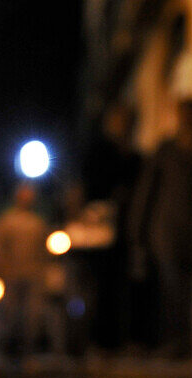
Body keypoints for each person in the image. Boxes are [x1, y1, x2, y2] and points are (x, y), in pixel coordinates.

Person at [130, 99, 192, 358]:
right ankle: (172, 340)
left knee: (189, 288)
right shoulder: (165, 150)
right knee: (171, 286)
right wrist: (138, 229)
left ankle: (186, 342)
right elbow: (147, 191)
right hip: (166, 228)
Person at [79, 104, 143, 351]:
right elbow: (88, 189)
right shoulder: (96, 154)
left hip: (128, 229)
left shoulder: (135, 156)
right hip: (101, 232)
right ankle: (98, 341)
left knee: (125, 285)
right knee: (100, 286)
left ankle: (122, 340)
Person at [0, 184, 52, 359]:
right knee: (10, 313)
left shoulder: (37, 222)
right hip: (11, 275)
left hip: (33, 275)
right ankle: (8, 351)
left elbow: (45, 250)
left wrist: (43, 272)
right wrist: (2, 267)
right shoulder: (7, 221)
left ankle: (28, 353)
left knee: (32, 315)